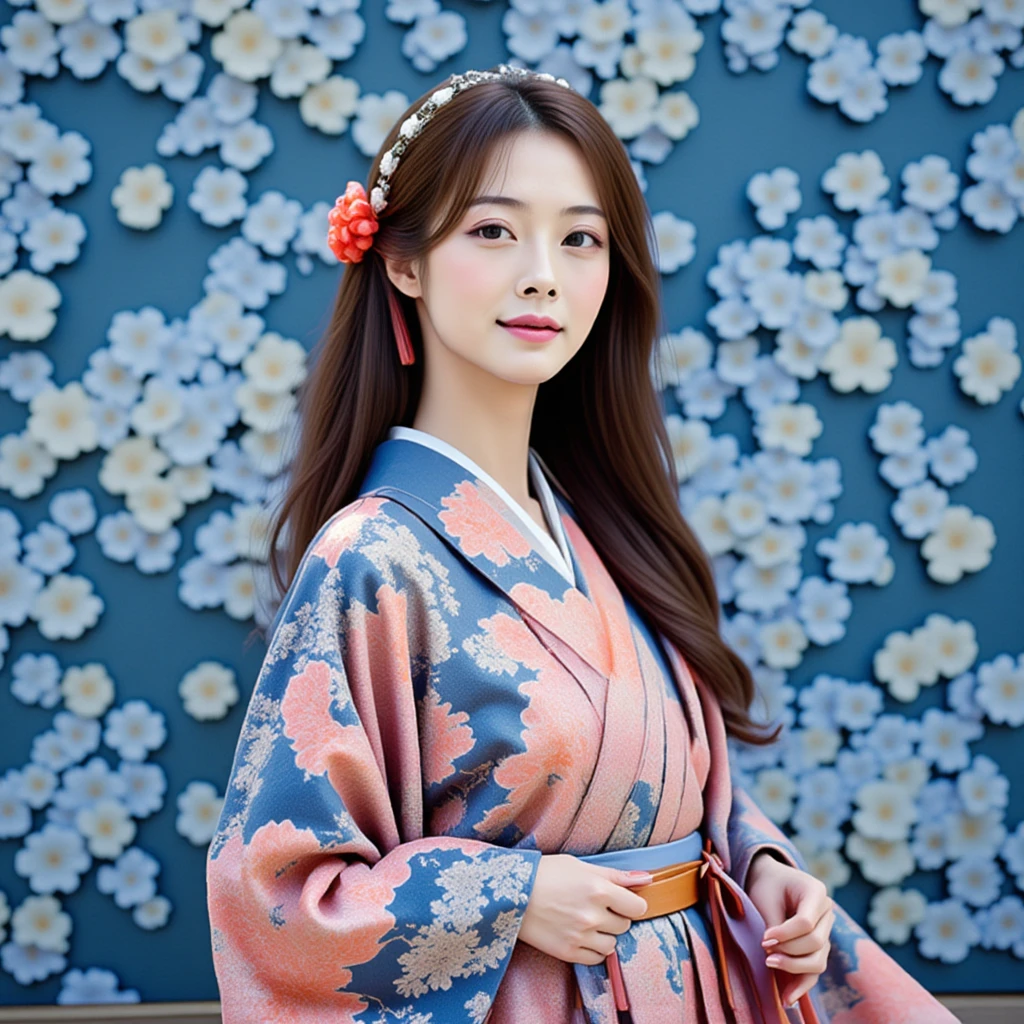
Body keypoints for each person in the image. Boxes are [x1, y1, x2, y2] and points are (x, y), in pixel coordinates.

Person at [205, 64, 960, 1024]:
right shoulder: (372, 559)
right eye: (493, 230)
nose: (543, 275)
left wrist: (762, 870)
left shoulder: (600, 531)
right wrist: (507, 899)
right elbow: (279, 896)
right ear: (402, 261)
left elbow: (672, 795)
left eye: (580, 239)